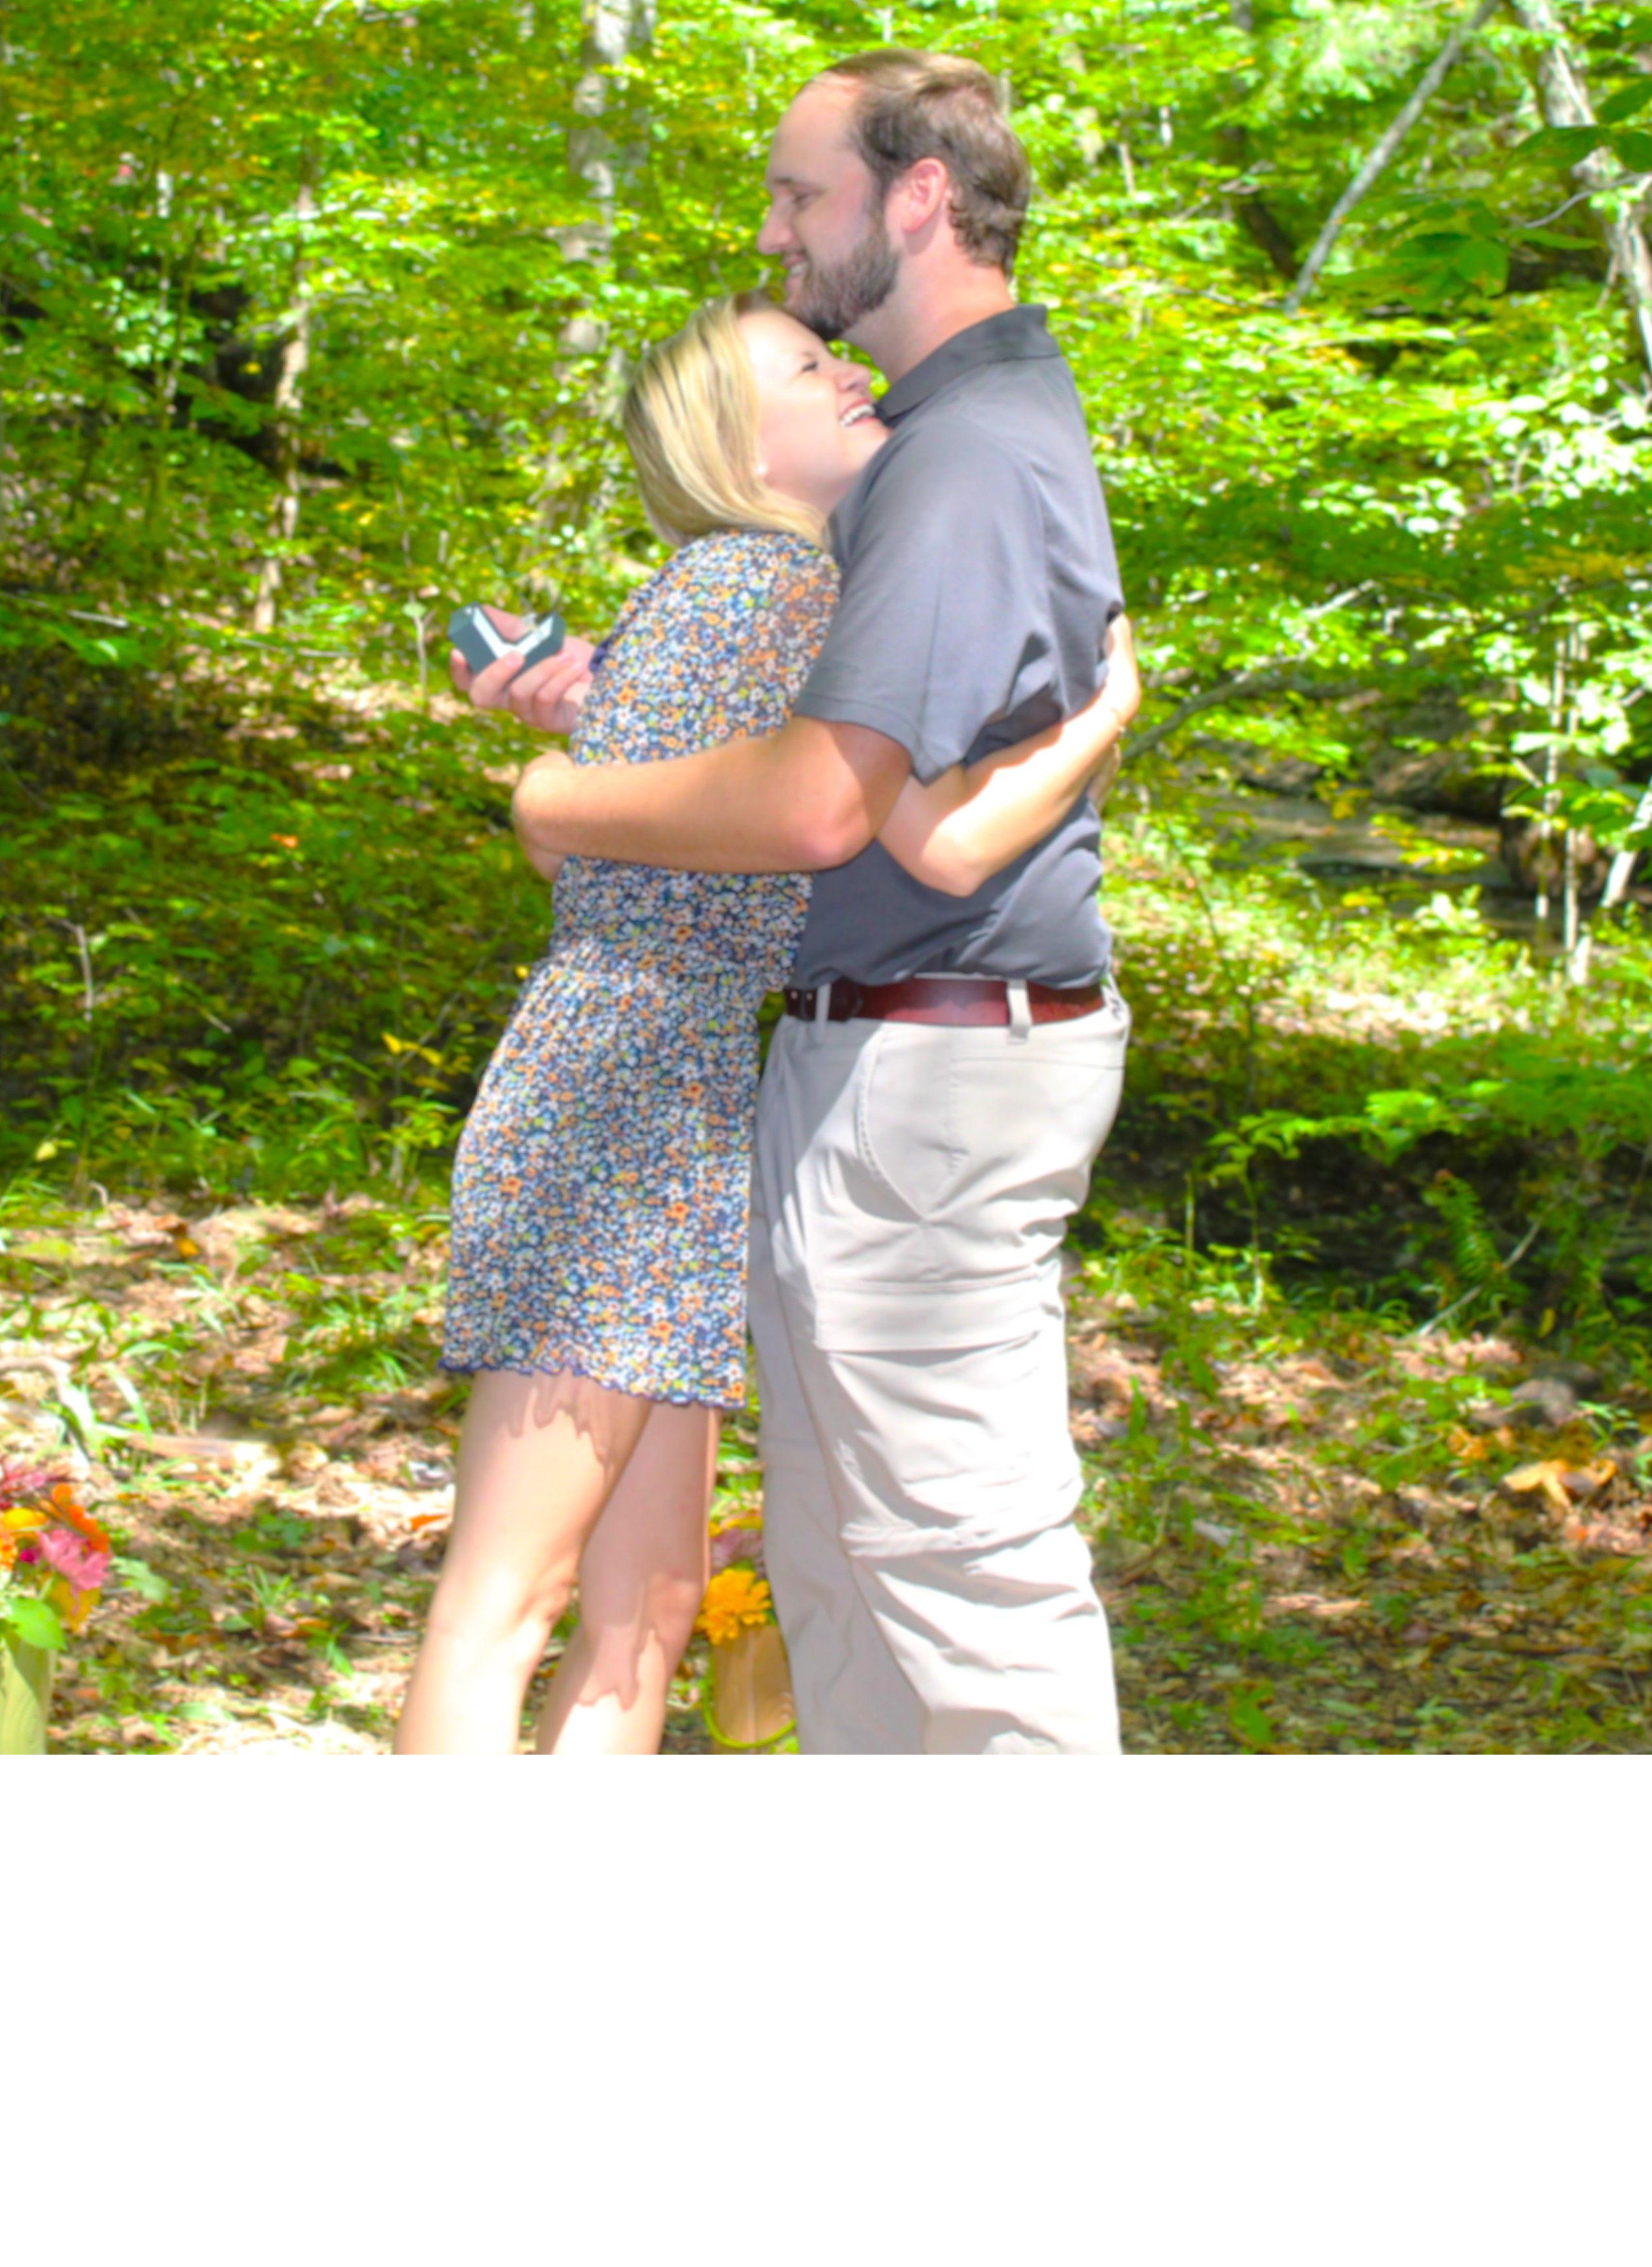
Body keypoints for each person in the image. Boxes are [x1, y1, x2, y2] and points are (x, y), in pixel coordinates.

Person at [393, 289, 1138, 1755]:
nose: (851, 372)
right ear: (739, 447)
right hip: (612, 1109)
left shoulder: (750, 593)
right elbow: (938, 839)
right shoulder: (778, 590)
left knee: (652, 1607)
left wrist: (563, 755)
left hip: (667, 1104)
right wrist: (1103, 714)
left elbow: (650, 796)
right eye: (808, 367)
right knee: (510, 1595)